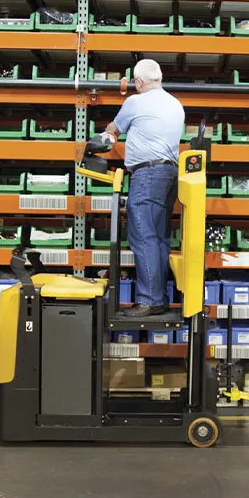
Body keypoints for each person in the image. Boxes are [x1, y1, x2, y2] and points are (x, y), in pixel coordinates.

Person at [97, 58, 184, 319]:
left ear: (137, 81)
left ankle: (149, 300)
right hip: (170, 174)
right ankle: (159, 299)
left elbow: (112, 131)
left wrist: (102, 139)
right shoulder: (175, 104)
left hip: (146, 175)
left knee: (143, 236)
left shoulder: (135, 102)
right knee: (159, 239)